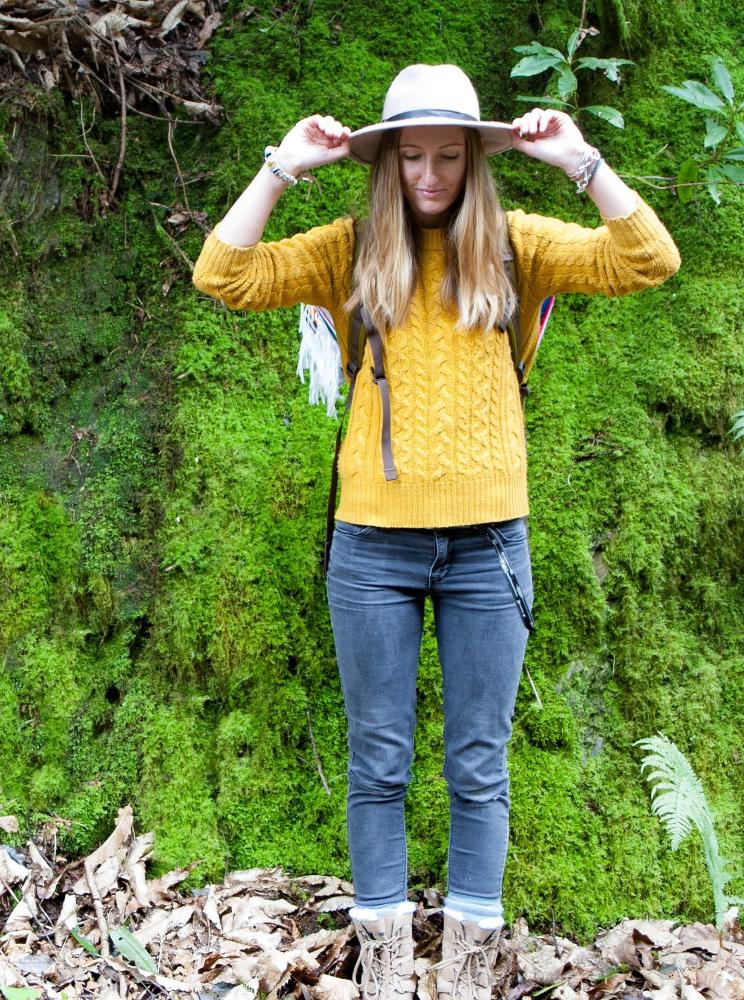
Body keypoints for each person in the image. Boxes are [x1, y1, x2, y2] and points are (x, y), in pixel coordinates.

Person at [192, 64, 680, 1000]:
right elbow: (225, 271)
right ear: (385, 163)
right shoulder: (347, 251)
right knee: (378, 755)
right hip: (372, 544)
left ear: (471, 160)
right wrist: (281, 166)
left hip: (490, 542)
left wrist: (580, 162)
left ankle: (463, 976)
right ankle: (381, 974)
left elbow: (647, 259)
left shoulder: (515, 248)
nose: (428, 174)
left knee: (477, 762)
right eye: (410, 155)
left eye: (447, 156)